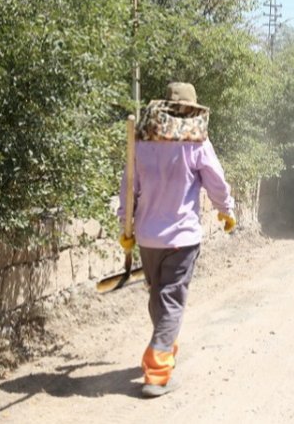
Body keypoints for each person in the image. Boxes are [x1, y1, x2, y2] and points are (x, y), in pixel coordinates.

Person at [118, 82, 236, 398]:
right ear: (192, 109)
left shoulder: (141, 143)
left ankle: (165, 346)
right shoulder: (197, 142)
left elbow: (128, 187)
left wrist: (125, 228)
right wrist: (226, 210)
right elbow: (217, 181)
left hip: (148, 237)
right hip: (182, 238)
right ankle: (157, 371)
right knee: (171, 299)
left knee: (159, 295)